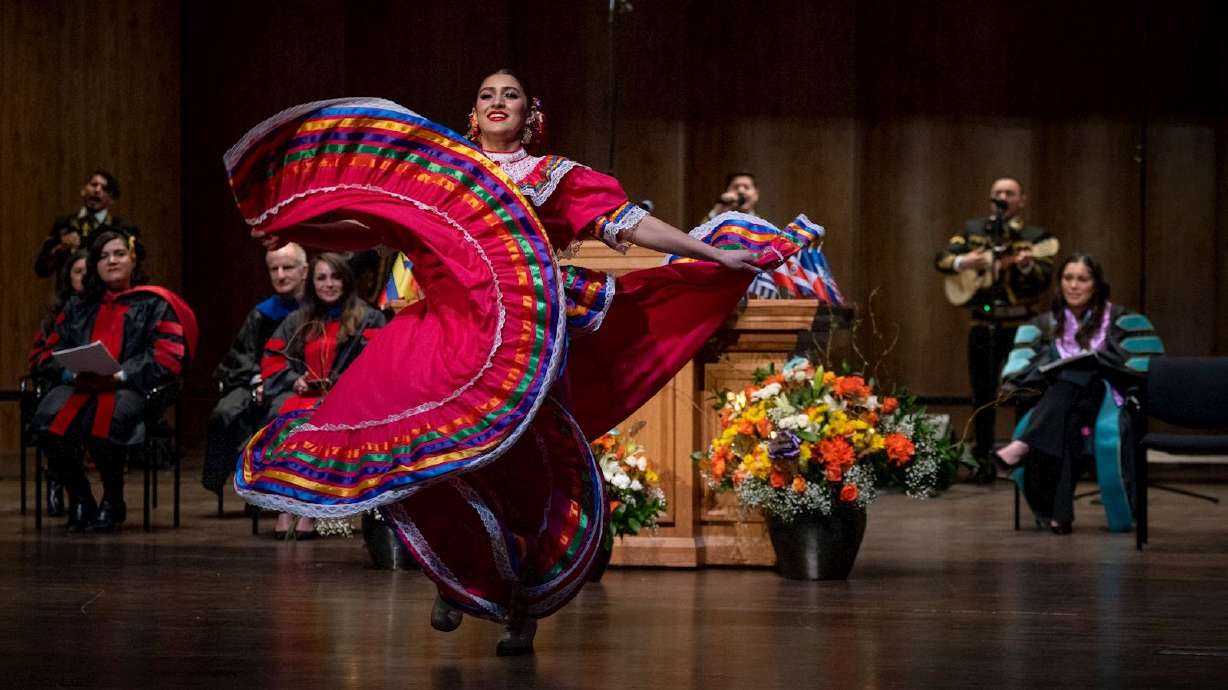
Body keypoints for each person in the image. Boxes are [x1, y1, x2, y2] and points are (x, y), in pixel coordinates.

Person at [224, 69, 818, 655]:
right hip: (442, 334)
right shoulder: (438, 172)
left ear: (530, 114)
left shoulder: (551, 175)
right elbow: (373, 227)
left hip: (521, 341)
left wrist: (711, 251)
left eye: (511, 94)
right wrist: (293, 222)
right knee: (425, 455)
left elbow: (632, 224)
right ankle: (456, 580)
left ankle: (522, 608)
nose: (498, 101)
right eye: (487, 94)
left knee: (526, 474)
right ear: (473, 112)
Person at [31, 229, 196, 533]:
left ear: (133, 259)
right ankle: (80, 497)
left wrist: (122, 373)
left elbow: (166, 356)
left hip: (129, 386)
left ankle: (113, 499)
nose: (112, 261)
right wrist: (69, 371)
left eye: (119, 254)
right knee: (47, 421)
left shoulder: (154, 303)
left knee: (107, 420)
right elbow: (50, 349)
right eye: (103, 256)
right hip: (78, 383)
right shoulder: (78, 305)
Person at [993, 254, 1147, 533]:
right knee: (1069, 423)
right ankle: (1060, 515)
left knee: (1078, 375)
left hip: (1106, 399)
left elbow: (1139, 367)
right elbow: (1018, 372)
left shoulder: (1120, 319)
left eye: (1082, 279)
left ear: (1096, 285)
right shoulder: (1043, 324)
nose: (1074, 285)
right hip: (1063, 407)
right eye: (1068, 278)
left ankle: (1024, 445)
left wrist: (1096, 364)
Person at [934, 177, 1058, 480]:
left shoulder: (1036, 236)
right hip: (983, 324)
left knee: (1025, 389)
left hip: (1022, 326)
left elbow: (1044, 277)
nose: (1003, 197)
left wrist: (1026, 266)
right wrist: (965, 262)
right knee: (983, 392)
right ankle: (983, 459)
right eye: (998, 193)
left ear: (1022, 200)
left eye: (1010, 193)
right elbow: (942, 259)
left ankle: (1023, 454)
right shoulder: (973, 231)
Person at [258, 252, 386, 538]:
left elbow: (375, 365)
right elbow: (273, 358)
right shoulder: (297, 320)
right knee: (285, 418)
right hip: (301, 394)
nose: (329, 284)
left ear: (346, 280)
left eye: (335, 277)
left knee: (318, 421)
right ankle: (285, 504)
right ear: (312, 283)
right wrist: (294, 380)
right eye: (321, 278)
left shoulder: (370, 318)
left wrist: (337, 385)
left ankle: (309, 506)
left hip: (345, 398)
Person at [201, 243, 308, 496]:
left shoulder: (318, 311)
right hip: (256, 380)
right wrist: (256, 379)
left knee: (276, 412)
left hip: (295, 383)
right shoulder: (262, 314)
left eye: (287, 267)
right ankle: (244, 481)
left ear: (304, 271)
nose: (280, 275)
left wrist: (278, 381)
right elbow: (242, 355)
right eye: (274, 269)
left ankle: (276, 485)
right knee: (225, 412)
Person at [27, 249, 90, 516]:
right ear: (68, 278)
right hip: (61, 382)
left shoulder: (108, 308)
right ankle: (63, 479)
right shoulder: (56, 315)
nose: (84, 278)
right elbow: (39, 358)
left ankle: (74, 488)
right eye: (78, 272)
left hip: (100, 383)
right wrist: (66, 371)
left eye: (89, 272)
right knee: (53, 415)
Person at [35, 171, 139, 291]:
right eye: (94, 184)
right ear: (83, 190)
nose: (97, 190)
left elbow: (135, 270)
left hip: (106, 298)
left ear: (112, 199)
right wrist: (60, 248)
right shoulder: (64, 224)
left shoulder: (121, 228)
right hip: (69, 299)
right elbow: (41, 269)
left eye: (104, 188)